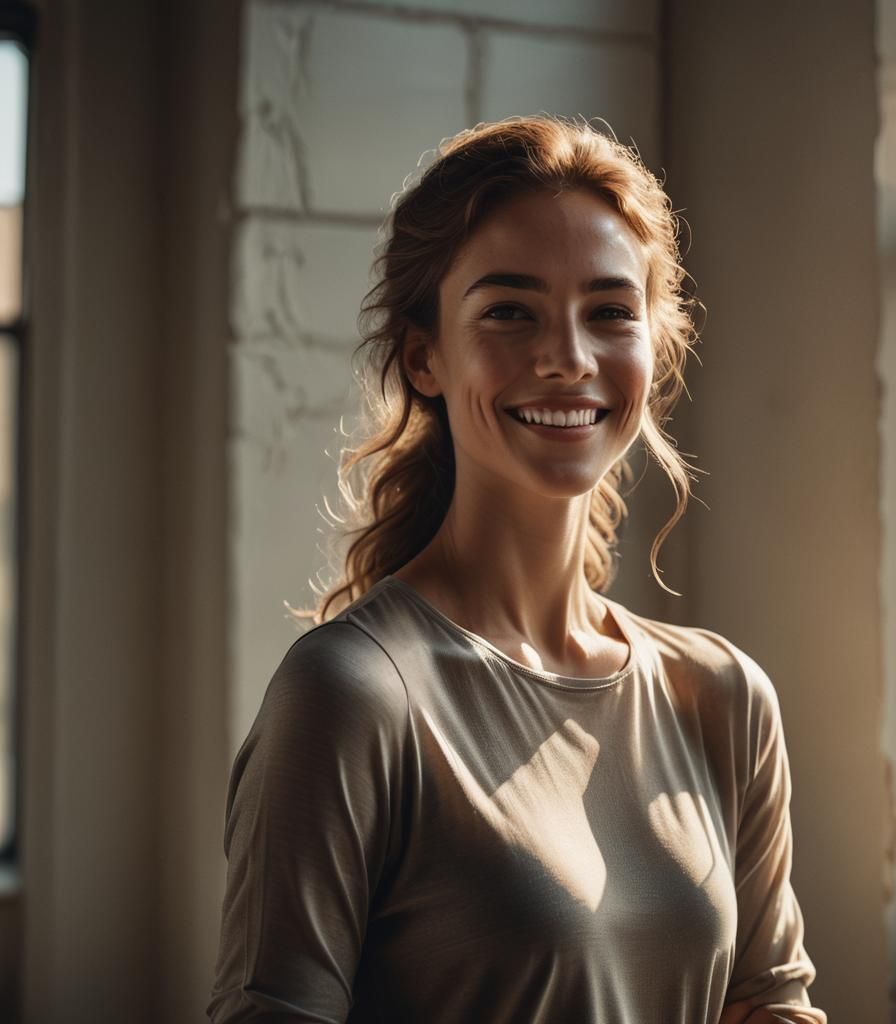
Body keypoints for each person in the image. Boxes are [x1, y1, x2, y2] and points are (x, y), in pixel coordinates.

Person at [206, 115, 827, 1024]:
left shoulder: (724, 698)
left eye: (611, 312)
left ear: (654, 353)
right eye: (509, 310)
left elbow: (771, 1005)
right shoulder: (350, 697)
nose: (567, 358)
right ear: (424, 356)